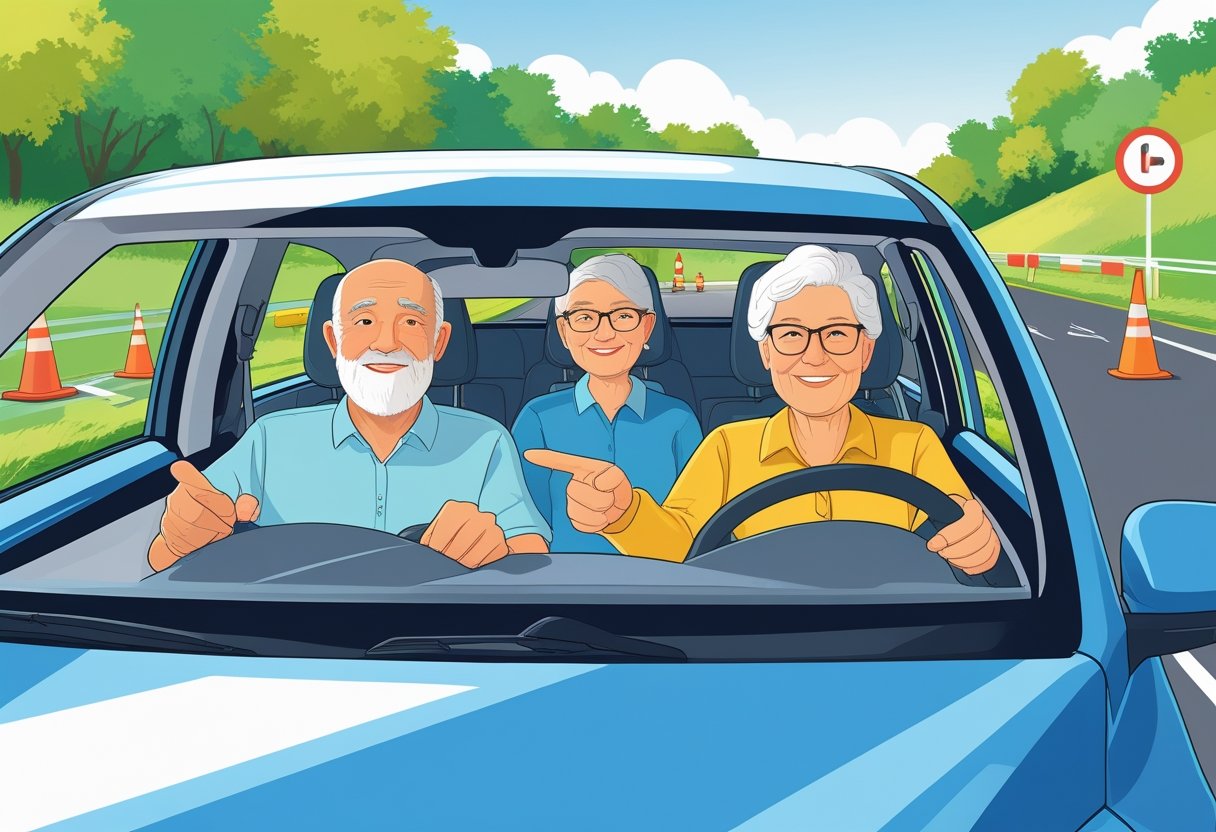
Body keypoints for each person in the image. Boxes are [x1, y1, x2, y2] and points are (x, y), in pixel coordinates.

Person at [526, 245, 1001, 574]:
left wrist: (974, 542)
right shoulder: (728, 447)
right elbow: (679, 544)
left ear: (865, 350)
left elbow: (957, 526)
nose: (814, 356)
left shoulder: (914, 446)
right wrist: (624, 513)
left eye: (836, 333)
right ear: (767, 353)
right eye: (791, 335)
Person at [148, 259, 550, 573]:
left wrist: (500, 549)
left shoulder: (486, 441)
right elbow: (166, 556)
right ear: (332, 341)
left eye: (411, 322)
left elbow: (532, 553)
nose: (387, 343)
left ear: (439, 342)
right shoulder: (270, 439)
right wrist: (180, 537)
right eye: (364, 321)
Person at [512, 254, 702, 552]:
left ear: (647, 327)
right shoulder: (537, 417)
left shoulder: (678, 418)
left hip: (663, 579)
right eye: (584, 318)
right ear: (564, 331)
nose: (604, 333)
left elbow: (695, 526)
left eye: (623, 316)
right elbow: (524, 524)